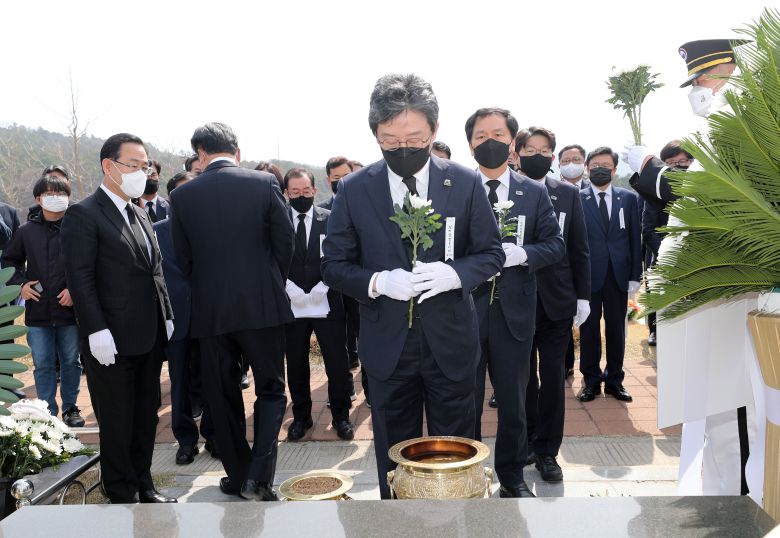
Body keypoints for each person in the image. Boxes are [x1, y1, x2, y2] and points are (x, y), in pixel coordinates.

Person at [321, 74, 504, 499]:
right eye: (390, 139)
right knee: (394, 455)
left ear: (434, 131)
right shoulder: (354, 189)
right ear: (375, 135)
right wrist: (379, 281)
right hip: (388, 347)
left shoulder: (464, 181)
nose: (403, 147)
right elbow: (333, 265)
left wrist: (455, 274)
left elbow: (491, 253)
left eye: (414, 137)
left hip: (451, 344)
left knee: (456, 452)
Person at [626, 39, 755, 498]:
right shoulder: (724, 132)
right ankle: (724, 501)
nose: (698, 90)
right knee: (719, 416)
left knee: (739, 416)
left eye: (703, 79)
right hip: (714, 299)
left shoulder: (753, 127)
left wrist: (648, 168)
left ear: (731, 71)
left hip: (741, 295)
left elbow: (709, 191)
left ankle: (743, 505)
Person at [170, 122, 294, 502]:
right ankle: (259, 475)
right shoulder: (263, 184)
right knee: (271, 390)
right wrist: (269, 282)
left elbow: (182, 258)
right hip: (263, 308)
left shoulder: (183, 196)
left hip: (211, 313)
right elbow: (284, 242)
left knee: (220, 396)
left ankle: (239, 476)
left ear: (200, 155)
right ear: (236, 152)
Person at [61, 133, 176, 504]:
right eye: (134, 165)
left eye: (145, 166)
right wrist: (95, 328)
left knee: (146, 416)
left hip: (147, 334)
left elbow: (155, 270)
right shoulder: (84, 214)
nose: (142, 172)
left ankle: (144, 483)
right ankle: (121, 489)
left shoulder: (139, 211)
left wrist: (167, 316)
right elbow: (81, 277)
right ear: (109, 167)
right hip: (109, 339)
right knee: (117, 418)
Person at [467, 110, 564, 498]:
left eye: (497, 134)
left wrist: (521, 255)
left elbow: (554, 245)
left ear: (512, 143)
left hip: (515, 314)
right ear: (470, 143)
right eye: (479, 135)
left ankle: (511, 477)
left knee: (514, 403)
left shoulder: (533, 191)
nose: (488, 140)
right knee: (465, 403)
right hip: (463, 314)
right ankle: (467, 476)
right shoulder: (454, 187)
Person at [513, 127, 590, 482]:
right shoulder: (505, 192)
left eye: (545, 150)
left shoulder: (567, 195)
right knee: (521, 379)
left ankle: (548, 451)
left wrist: (583, 295)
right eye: (530, 148)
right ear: (518, 152)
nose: (538, 154)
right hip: (516, 301)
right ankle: (525, 441)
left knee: (553, 378)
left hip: (557, 301)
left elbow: (579, 249)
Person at [1, 174, 84, 427]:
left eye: (62, 194)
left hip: (69, 310)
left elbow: (89, 263)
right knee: (43, 363)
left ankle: (70, 407)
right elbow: (9, 261)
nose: (56, 199)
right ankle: (46, 410)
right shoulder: (26, 231)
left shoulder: (79, 227)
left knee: (71, 361)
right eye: (50, 194)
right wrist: (22, 285)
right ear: (38, 198)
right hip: (38, 311)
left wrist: (75, 289)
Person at [283, 168, 354, 441]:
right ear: (287, 193)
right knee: (297, 363)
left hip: (328, 301)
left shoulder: (330, 220)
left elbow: (341, 256)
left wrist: (325, 285)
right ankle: (301, 416)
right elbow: (274, 258)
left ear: (314, 190)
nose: (302, 196)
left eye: (306, 191)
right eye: (295, 192)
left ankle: (341, 416)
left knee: (337, 362)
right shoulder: (280, 222)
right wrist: (290, 288)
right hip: (293, 303)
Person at [153, 171, 216, 465]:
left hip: (211, 316)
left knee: (215, 379)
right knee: (178, 383)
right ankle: (185, 441)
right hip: (175, 319)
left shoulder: (215, 227)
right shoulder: (156, 231)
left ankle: (215, 436)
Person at [577, 147, 641, 404]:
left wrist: (636, 274)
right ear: (587, 168)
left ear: (615, 170)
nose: (600, 168)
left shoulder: (628, 199)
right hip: (589, 276)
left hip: (618, 275)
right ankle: (591, 381)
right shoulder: (577, 198)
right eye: (595, 165)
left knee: (617, 331)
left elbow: (635, 239)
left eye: (606, 165)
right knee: (589, 331)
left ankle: (615, 380)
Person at [641, 140, 691, 347]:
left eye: (683, 161)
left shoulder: (702, 185)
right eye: (671, 163)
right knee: (658, 293)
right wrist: (667, 253)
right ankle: (655, 329)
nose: (678, 166)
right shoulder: (656, 193)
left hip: (695, 255)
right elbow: (649, 228)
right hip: (663, 254)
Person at [557, 144, 590, 377]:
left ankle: (590, 372)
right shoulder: (550, 191)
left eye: (576, 159)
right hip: (559, 268)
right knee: (561, 325)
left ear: (584, 162)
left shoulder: (589, 191)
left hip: (585, 265)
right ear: (558, 164)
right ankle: (566, 364)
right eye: (566, 160)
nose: (571, 164)